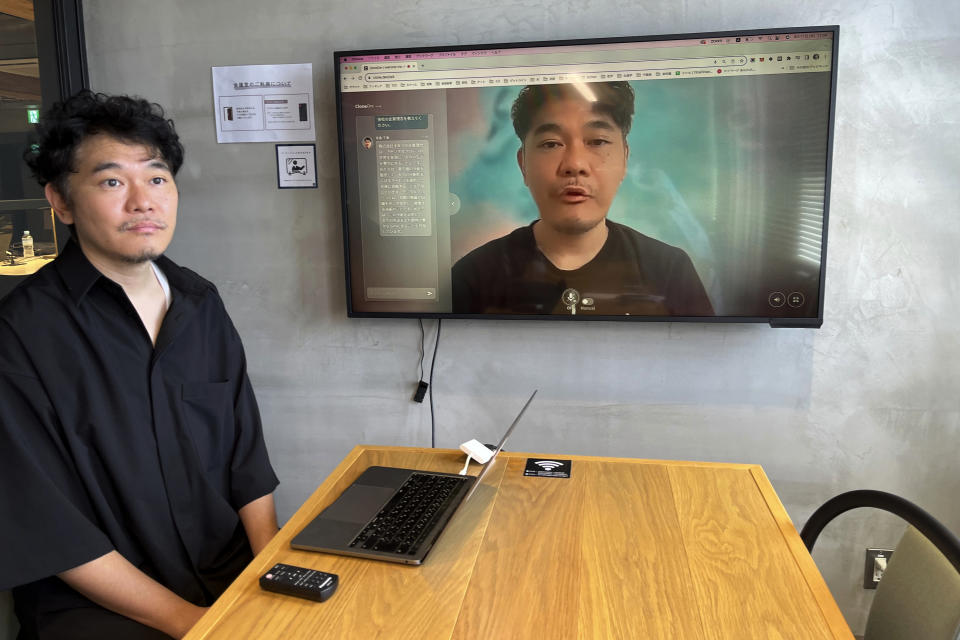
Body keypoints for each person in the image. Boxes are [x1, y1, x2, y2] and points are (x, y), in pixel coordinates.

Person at [0, 91, 279, 639]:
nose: (142, 201)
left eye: (156, 179)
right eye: (111, 182)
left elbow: (245, 461)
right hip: (98, 608)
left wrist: (272, 573)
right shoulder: (21, 333)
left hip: (223, 575)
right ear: (61, 201)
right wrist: (197, 626)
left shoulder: (200, 303)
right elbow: (47, 524)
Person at [451, 82, 714, 316]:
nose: (575, 164)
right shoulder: (473, 277)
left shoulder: (669, 271)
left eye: (597, 141)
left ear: (624, 159)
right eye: (551, 143)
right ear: (523, 165)